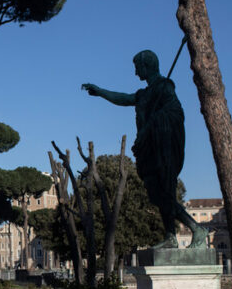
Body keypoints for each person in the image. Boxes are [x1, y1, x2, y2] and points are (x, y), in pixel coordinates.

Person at [82, 50, 207, 248]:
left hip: (162, 149)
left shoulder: (164, 87)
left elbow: (176, 112)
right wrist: (100, 92)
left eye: (137, 68)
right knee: (156, 194)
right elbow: (123, 98)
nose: (135, 72)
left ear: (146, 66)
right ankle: (170, 237)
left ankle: (196, 229)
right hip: (148, 149)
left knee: (165, 193)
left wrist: (153, 123)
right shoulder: (145, 94)